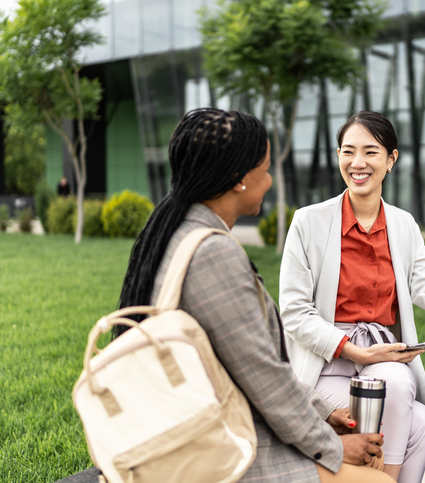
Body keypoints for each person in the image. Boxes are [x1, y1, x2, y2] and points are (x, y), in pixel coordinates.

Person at [115, 108, 395, 483]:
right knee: (376, 480)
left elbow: (250, 362)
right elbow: (264, 378)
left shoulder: (173, 230)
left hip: (206, 427)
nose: (269, 181)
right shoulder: (213, 254)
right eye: (263, 170)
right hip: (224, 450)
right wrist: (331, 445)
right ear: (238, 180)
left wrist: (323, 410)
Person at [279, 111, 425, 483]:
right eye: (348, 152)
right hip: (326, 365)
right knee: (412, 412)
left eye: (371, 152)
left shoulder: (402, 224)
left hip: (384, 357)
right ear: (338, 156)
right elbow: (295, 313)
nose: (358, 163)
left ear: (391, 160)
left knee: (418, 416)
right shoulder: (308, 221)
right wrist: (355, 351)